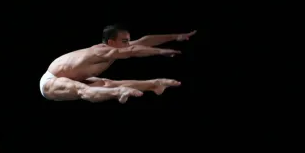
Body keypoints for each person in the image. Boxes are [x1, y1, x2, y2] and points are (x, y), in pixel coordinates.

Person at [39, 24, 197, 103]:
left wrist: (176, 36)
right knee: (83, 90)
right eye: (125, 41)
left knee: (107, 83)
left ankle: (155, 84)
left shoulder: (115, 49)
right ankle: (119, 93)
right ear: (111, 42)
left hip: (74, 76)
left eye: (128, 41)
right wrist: (162, 52)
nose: (129, 44)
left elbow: (144, 41)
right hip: (51, 81)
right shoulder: (100, 51)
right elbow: (134, 50)